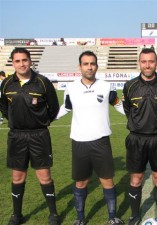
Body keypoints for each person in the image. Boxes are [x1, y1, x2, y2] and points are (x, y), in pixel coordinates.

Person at [56, 50, 125, 225]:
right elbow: (66, 107)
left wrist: (138, 116)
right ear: (80, 66)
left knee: (107, 181)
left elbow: (118, 105)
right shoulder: (71, 88)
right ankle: (80, 218)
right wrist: (46, 118)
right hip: (79, 142)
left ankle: (112, 217)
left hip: (101, 141)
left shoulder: (106, 86)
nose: (89, 67)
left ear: (97, 66)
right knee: (81, 182)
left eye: (92, 63)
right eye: (86, 64)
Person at [0, 48, 60, 225]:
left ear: (30, 61)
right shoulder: (6, 84)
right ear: (12, 63)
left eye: (24, 60)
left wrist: (42, 122)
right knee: (17, 177)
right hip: (16, 136)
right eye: (17, 61)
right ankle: (16, 215)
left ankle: (54, 214)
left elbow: (54, 107)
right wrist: (14, 119)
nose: (21, 64)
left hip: (39, 135)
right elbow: (3, 106)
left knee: (44, 176)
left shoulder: (42, 82)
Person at [122, 48, 157, 225]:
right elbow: (127, 110)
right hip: (136, 139)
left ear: (156, 63)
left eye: (151, 61)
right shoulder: (130, 86)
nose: (147, 65)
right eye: (144, 61)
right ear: (139, 63)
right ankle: (134, 215)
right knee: (136, 178)